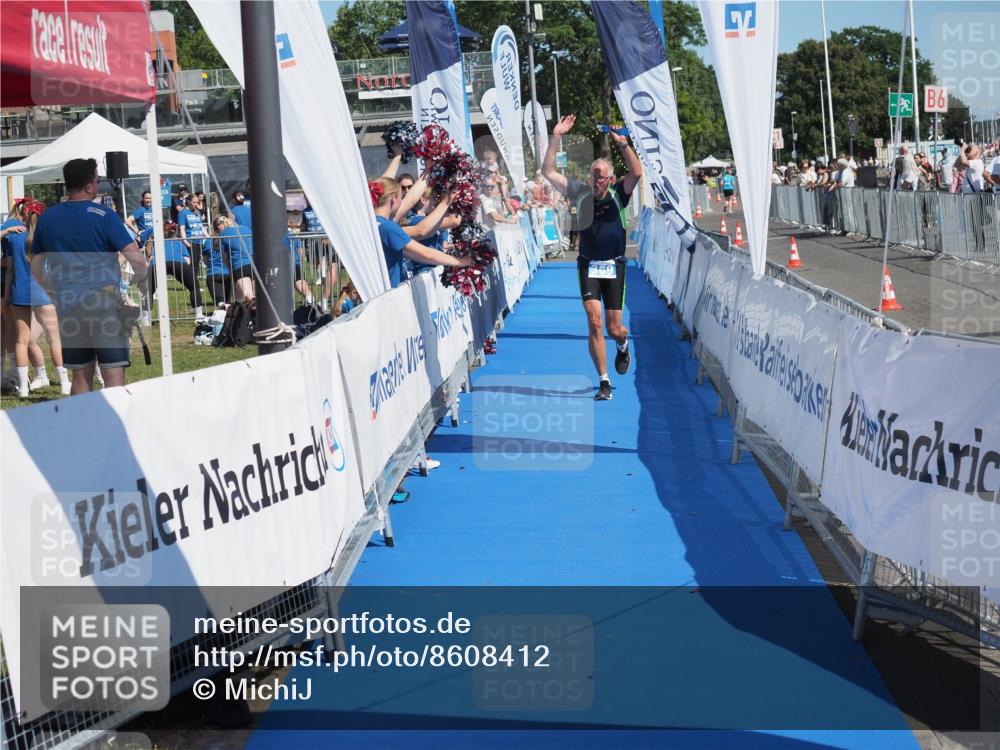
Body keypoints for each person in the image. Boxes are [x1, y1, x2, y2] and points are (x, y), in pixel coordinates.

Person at [542, 114, 642, 401]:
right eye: (593, 174)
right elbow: (548, 171)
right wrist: (556, 136)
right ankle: (604, 380)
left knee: (614, 328)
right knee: (594, 321)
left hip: (614, 266)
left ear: (610, 179)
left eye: (601, 176)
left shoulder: (619, 193)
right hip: (588, 265)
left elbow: (637, 173)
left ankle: (622, 345)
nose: (596, 179)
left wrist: (623, 144)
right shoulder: (580, 192)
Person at [30, 158, 148, 395]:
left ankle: (79, 419)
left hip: (68, 304)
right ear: (88, 186)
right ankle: (111, 419)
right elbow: (136, 259)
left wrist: (51, 291)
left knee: (81, 375)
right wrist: (139, 279)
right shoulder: (104, 215)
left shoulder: (47, 218)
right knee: (113, 375)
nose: (98, 184)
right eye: (97, 180)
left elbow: (36, 264)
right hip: (104, 303)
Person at [2, 200, 71, 396]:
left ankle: (24, 388)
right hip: (42, 291)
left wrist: (6, 295)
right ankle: (64, 383)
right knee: (54, 339)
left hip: (19, 291)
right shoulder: (48, 236)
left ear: (24, 216)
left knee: (21, 340)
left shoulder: (14, 238)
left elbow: (10, 271)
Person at [368, 177, 473, 288]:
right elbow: (426, 254)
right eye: (401, 197)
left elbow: (426, 237)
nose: (402, 202)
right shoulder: (388, 227)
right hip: (388, 292)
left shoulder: (371, 224)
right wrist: (461, 262)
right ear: (393, 198)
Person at [145, 222, 203, 313]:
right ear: (175, 232)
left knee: (148, 290)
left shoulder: (158, 244)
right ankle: (199, 314)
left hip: (157, 264)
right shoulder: (179, 243)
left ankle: (146, 317)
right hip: (178, 263)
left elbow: (151, 258)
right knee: (194, 287)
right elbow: (188, 260)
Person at [176, 194, 206, 317]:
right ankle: (192, 286)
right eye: (194, 202)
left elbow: (201, 227)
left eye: (197, 202)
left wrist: (209, 237)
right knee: (191, 266)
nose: (196, 204)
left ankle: (195, 285)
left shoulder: (197, 213)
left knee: (196, 265)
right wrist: (185, 241)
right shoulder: (183, 213)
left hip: (199, 242)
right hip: (190, 242)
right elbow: (182, 228)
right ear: (188, 202)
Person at [214, 215, 255, 302]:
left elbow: (224, 257)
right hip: (255, 264)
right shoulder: (247, 229)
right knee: (256, 296)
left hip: (239, 265)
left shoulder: (223, 234)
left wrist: (230, 271)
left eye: (217, 231)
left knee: (248, 295)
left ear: (219, 226)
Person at [204, 217, 232, 307]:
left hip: (212, 273)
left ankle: (221, 304)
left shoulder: (208, 241)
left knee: (219, 300)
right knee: (227, 302)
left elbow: (205, 259)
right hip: (227, 273)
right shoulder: (229, 240)